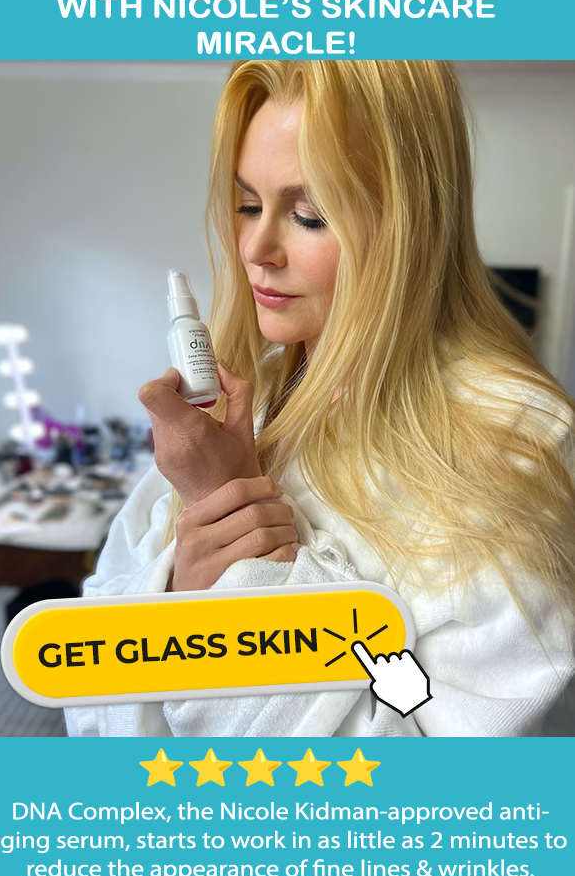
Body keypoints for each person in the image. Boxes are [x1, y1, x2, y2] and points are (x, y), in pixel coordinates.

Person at [65, 60, 575, 739]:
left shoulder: (510, 435)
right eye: (248, 205)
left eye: (309, 215)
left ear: (411, 223)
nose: (256, 248)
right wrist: (181, 589)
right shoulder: (247, 401)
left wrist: (246, 576)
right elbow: (89, 668)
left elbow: (451, 769)